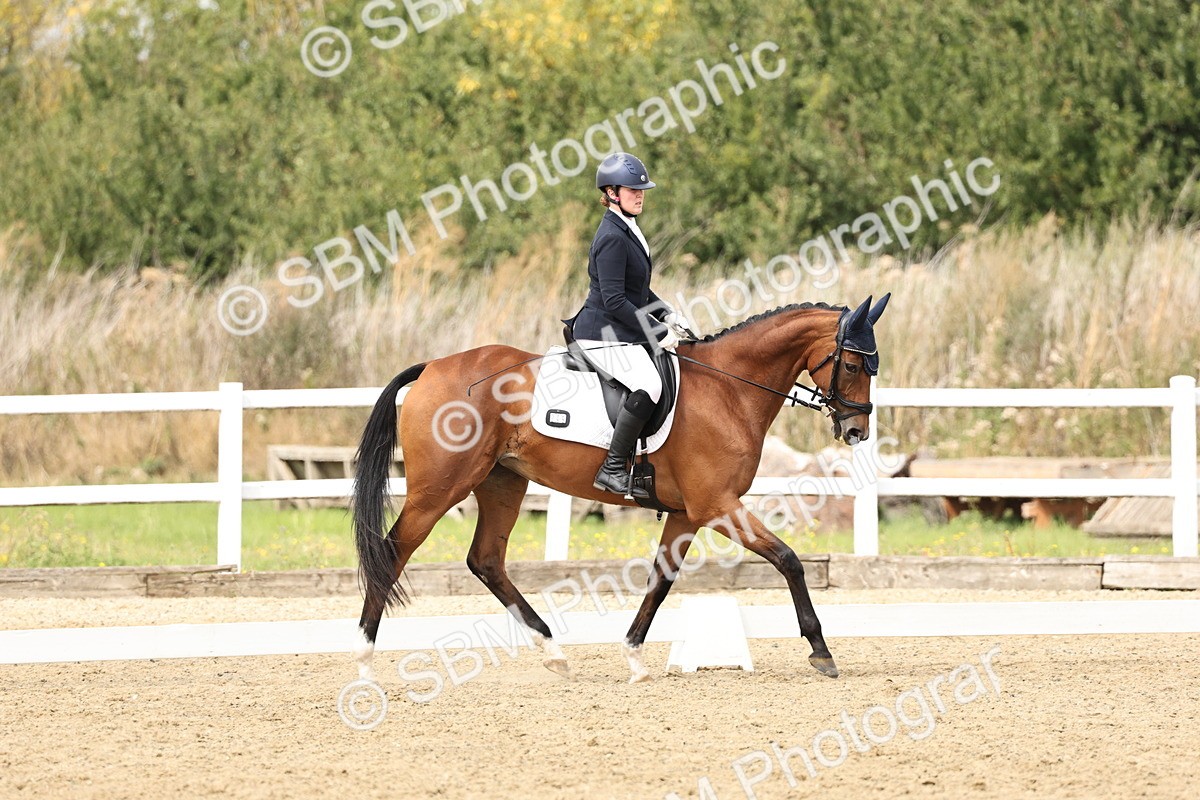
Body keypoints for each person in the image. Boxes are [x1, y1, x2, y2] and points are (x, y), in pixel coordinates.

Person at [568, 152, 692, 499]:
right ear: (610, 192)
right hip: (601, 334)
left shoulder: (628, 228)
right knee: (649, 385)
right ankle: (611, 468)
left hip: (620, 329)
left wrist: (666, 313)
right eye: (631, 190)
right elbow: (614, 301)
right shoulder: (611, 236)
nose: (640, 195)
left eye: (642, 190)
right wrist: (655, 332)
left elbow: (636, 289)